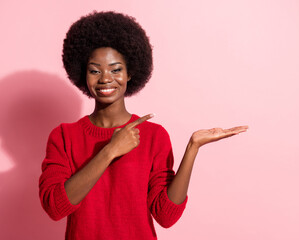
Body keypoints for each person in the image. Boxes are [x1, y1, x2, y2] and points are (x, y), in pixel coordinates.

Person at [39, 11, 248, 240]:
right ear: (83, 73)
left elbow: (166, 216)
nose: (106, 78)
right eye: (95, 70)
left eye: (116, 69)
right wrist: (110, 150)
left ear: (130, 74)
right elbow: (55, 207)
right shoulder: (64, 136)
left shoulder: (154, 136)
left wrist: (192, 148)